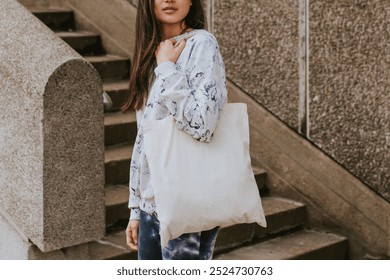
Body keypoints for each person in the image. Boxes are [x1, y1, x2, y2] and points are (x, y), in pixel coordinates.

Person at [121, 0, 228, 260]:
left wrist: (168, 67)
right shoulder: (151, 53)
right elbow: (144, 137)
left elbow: (203, 123)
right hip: (151, 204)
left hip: (187, 200)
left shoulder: (202, 44)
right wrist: (136, 208)